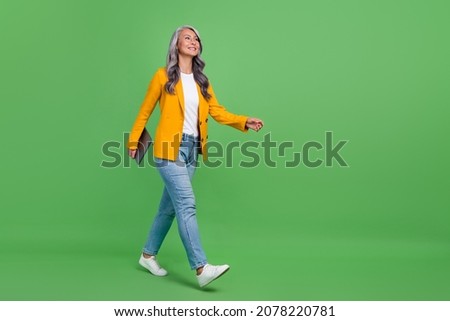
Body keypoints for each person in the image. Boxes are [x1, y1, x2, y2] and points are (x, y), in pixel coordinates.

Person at [127, 25, 264, 288]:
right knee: (187, 204)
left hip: (192, 150)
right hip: (169, 149)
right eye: (187, 38)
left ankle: (147, 255)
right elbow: (145, 111)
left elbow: (218, 112)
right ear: (176, 44)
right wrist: (134, 140)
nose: (193, 41)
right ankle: (201, 268)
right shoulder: (162, 76)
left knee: (168, 209)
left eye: (196, 38)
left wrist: (244, 121)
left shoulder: (203, 81)